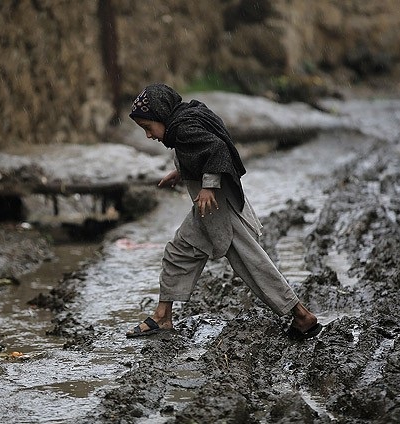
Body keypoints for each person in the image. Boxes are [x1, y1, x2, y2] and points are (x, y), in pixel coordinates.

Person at [125, 83, 322, 341]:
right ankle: (163, 316)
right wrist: (184, 172)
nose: (149, 136)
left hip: (218, 206)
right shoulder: (189, 116)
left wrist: (208, 186)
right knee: (179, 252)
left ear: (161, 115)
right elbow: (204, 149)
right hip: (210, 208)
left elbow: (216, 149)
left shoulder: (183, 128)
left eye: (148, 128)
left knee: (252, 263)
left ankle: (301, 315)